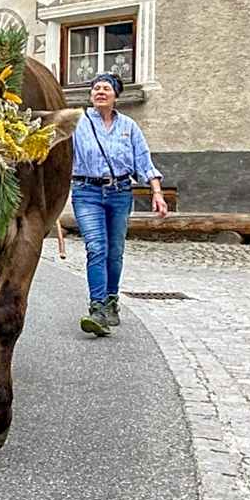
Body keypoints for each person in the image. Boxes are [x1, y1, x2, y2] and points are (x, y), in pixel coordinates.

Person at [71, 73, 168, 337]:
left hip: (120, 192)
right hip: (86, 191)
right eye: (95, 88)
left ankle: (112, 300)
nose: (100, 92)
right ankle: (97, 308)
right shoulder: (78, 123)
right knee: (96, 248)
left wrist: (156, 193)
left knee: (115, 251)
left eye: (106, 88)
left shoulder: (129, 127)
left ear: (116, 95)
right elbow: (57, 151)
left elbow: (144, 162)